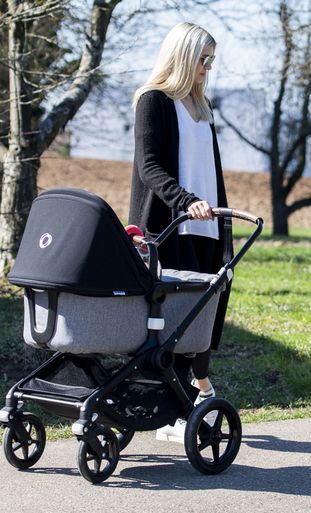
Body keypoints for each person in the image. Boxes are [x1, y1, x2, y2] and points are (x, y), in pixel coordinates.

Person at [129, 22, 232, 442]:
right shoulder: (154, 101)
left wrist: (224, 224)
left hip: (205, 228)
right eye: (201, 59)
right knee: (173, 321)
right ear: (182, 56)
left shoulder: (203, 109)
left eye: (211, 61)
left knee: (202, 315)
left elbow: (213, 173)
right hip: (168, 226)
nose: (207, 68)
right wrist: (186, 200)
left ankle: (192, 394)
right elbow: (149, 166)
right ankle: (171, 413)